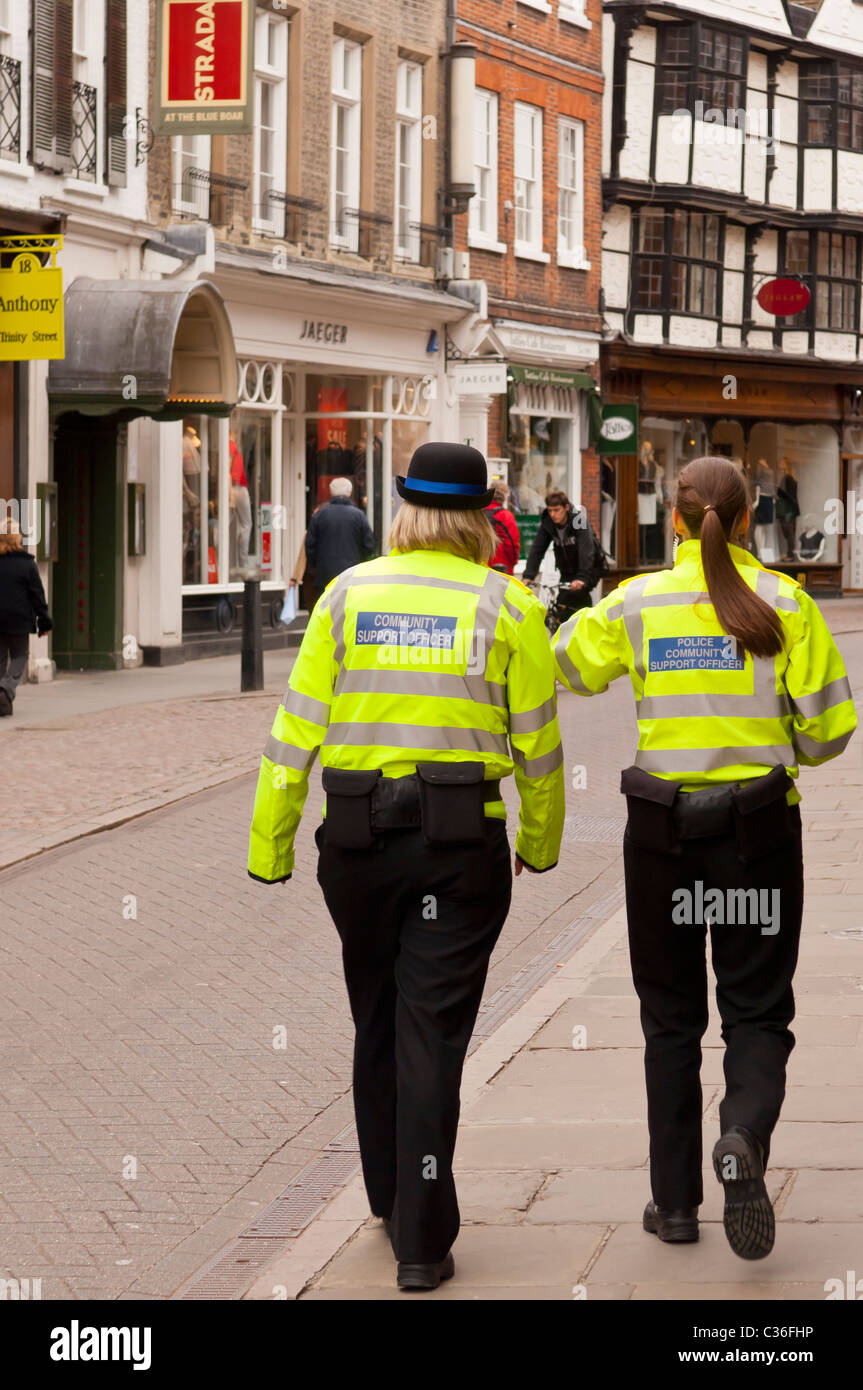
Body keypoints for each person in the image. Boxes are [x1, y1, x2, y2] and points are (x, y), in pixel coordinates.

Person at [248, 443, 565, 1291]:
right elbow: (538, 746)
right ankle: (421, 1238)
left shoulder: (346, 596)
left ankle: (388, 1196)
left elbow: (295, 732)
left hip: (354, 848)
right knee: (432, 1032)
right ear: (477, 519)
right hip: (460, 850)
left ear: (404, 512)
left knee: (378, 1016)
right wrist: (538, 841)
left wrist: (270, 844)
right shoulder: (507, 606)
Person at [553, 456, 855, 1261]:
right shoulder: (785, 602)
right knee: (755, 1009)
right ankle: (742, 1132)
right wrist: (772, 738)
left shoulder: (638, 601)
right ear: (749, 516)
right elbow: (829, 733)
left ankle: (675, 1204)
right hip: (754, 835)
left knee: (669, 1020)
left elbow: (570, 668)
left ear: (675, 520)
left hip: (660, 836)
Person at [522, 489, 604, 616]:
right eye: (550, 510)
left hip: (590, 567)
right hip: (567, 570)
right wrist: (528, 576)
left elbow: (586, 549)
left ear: (566, 507)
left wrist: (582, 577)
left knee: (578, 599)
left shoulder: (578, 520)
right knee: (562, 605)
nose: (553, 515)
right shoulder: (548, 523)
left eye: (556, 510)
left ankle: (586, 628)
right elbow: (537, 549)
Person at [0, 518, 52, 716]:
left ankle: (2, 699)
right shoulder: (27, 565)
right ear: (18, 537)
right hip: (19, 620)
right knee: (20, 655)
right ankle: (5, 688)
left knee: (0, 659)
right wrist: (44, 621)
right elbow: (37, 596)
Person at [304, 477, 374, 597]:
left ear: (331, 492)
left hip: (324, 575)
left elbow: (310, 545)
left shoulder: (320, 515)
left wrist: (317, 566)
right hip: (352, 575)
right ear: (350, 492)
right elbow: (369, 546)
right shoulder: (359, 516)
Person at [229, 431, 253, 575]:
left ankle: (228, 562)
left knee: (230, 523)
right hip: (237, 487)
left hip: (233, 487)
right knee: (246, 524)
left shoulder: (230, 445)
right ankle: (242, 562)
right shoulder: (231, 445)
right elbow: (228, 467)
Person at [485, 482, 520, 574]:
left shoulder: (478, 513)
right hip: (502, 568)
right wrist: (514, 562)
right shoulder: (505, 515)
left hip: (481, 567)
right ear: (505, 497)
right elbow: (512, 545)